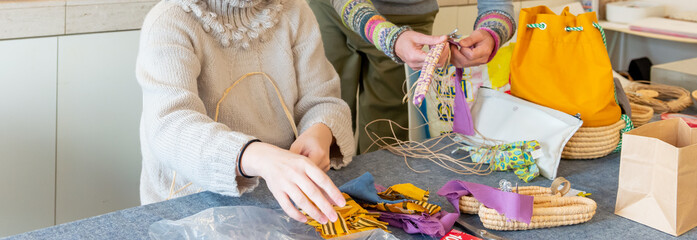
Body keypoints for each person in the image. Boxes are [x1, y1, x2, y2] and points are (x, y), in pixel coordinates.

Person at [136, 0, 356, 224]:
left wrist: (319, 130)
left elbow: (322, 98)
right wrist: (258, 157)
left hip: (281, 198)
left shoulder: (295, 11)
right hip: (193, 208)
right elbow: (171, 127)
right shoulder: (169, 20)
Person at [308, 0, 516, 153]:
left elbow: (498, 5)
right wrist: (390, 38)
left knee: (385, 139)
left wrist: (492, 32)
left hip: (409, 17)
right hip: (330, 10)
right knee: (324, 121)